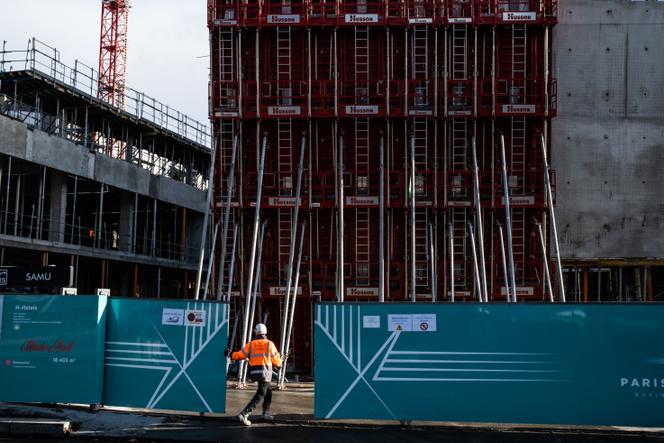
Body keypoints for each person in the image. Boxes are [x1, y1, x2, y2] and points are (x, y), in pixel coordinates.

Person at [225, 323, 282, 426]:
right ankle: (244, 414)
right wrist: (279, 365)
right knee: (261, 393)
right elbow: (276, 360)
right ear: (265, 333)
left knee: (268, 391)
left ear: (256, 332)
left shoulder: (251, 344)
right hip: (265, 373)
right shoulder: (269, 344)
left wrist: (230, 354)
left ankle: (265, 413)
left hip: (255, 372)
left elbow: (240, 355)